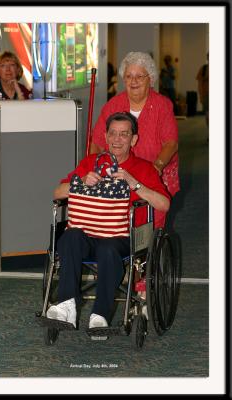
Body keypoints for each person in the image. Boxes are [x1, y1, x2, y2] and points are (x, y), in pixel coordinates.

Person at [46, 112, 170, 337]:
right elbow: (57, 192)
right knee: (70, 236)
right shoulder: (90, 163)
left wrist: (134, 183)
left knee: (108, 248)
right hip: (87, 233)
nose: (117, 139)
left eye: (124, 134)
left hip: (122, 236)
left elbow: (163, 204)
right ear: (105, 136)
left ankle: (100, 315)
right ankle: (67, 304)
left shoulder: (144, 168)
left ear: (133, 140)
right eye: (112, 133)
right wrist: (81, 182)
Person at [90, 51, 179, 229]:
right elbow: (98, 143)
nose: (134, 81)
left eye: (139, 76)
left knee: (150, 219)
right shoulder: (113, 105)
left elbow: (171, 143)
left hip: (153, 172)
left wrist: (156, 167)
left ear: (150, 79)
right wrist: (95, 167)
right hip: (118, 173)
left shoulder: (162, 105)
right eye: (129, 76)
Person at [196, 52, 209, 127]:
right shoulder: (203, 69)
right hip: (206, 95)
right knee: (208, 113)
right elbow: (200, 84)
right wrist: (201, 96)